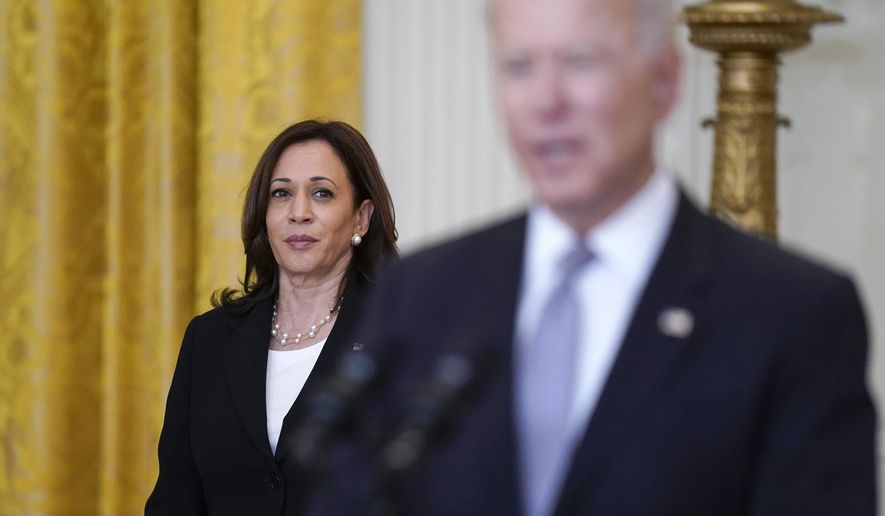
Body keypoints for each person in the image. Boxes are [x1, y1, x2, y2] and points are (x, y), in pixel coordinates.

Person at [313, 0, 878, 515]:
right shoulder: (424, 293)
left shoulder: (793, 314)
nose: (547, 101)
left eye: (580, 62)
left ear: (664, 80)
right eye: (519, 67)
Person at [145, 120, 398, 515]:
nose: (299, 212)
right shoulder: (209, 340)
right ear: (264, 214)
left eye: (322, 193)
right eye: (281, 194)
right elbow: (175, 499)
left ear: (361, 219)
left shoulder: (397, 338)